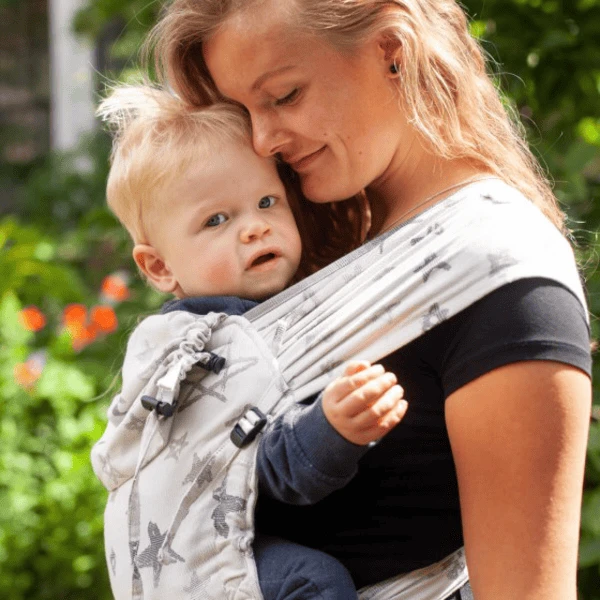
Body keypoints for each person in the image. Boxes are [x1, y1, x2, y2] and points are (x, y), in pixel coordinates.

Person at [146, 1, 594, 599]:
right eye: (244, 112)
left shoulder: (503, 280)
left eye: (284, 96)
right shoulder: (316, 251)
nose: (262, 139)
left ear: (391, 52)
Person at [94, 84, 408, 600]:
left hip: (226, 541)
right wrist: (332, 428)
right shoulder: (195, 350)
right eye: (216, 220)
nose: (255, 228)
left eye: (266, 202)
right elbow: (250, 467)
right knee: (314, 583)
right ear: (160, 266)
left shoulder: (276, 314)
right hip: (190, 564)